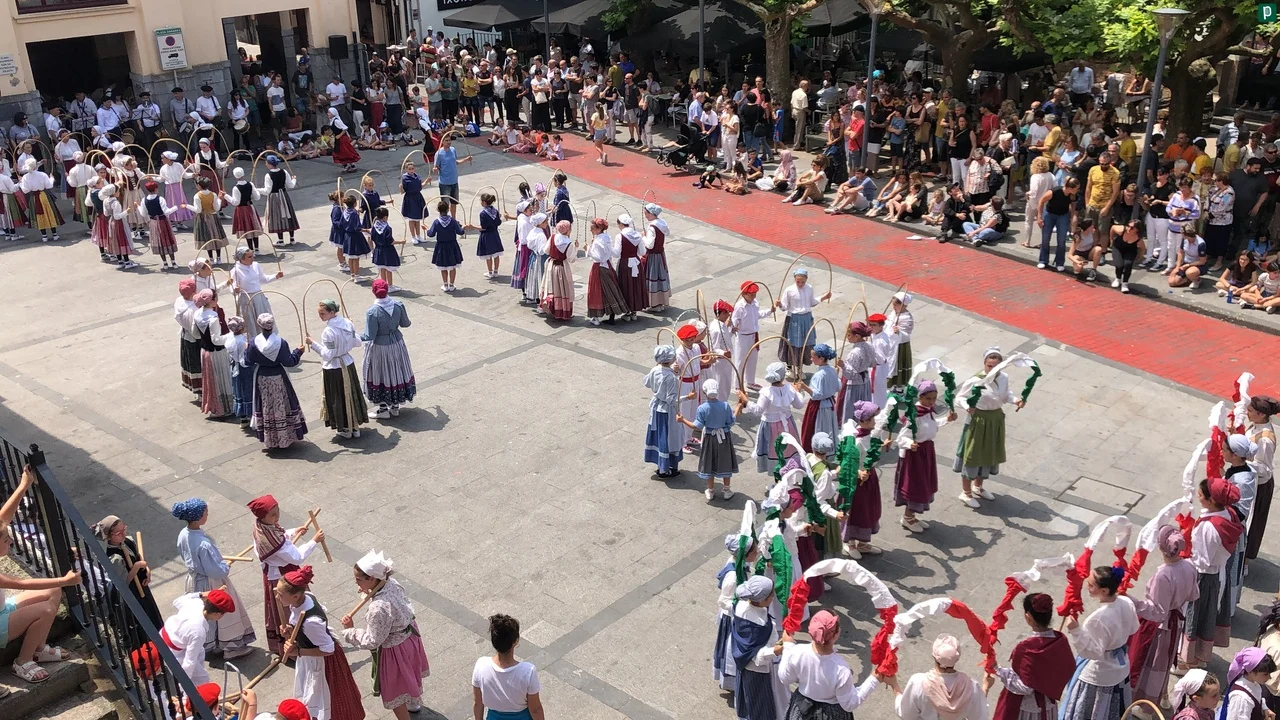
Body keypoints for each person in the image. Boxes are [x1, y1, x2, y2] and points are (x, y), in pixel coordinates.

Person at [0, 465, 79, 685]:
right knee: (45, 609)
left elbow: (3, 518)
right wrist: (65, 580)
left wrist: (23, 485)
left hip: (3, 609)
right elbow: (21, 582)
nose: (11, 541)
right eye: (6, 540)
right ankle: (23, 662)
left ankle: (39, 648)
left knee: (53, 590)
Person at [339, 551, 430, 719]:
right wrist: (367, 590)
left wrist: (350, 631)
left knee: (395, 689)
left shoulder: (378, 608)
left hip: (395, 651)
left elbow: (373, 640)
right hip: (410, 639)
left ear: (372, 579)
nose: (356, 583)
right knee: (409, 673)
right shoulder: (391, 583)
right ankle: (413, 703)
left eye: (359, 579)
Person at [276, 566, 367, 720]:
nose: (277, 597)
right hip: (310, 653)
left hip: (322, 661)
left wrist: (298, 651)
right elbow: (302, 629)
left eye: (281, 594)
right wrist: (291, 631)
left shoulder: (311, 621)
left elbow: (328, 649)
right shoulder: (305, 597)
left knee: (327, 698)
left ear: (296, 596)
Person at [171, 497, 256, 658]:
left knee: (204, 612)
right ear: (198, 517)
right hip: (210, 582)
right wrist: (225, 567)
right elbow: (216, 571)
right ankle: (231, 649)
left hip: (193, 580)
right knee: (222, 613)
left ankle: (213, 644)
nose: (207, 515)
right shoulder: (204, 544)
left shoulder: (183, 534)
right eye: (205, 513)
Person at [1125, 524, 1198, 705]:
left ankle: (1146, 706)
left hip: (1159, 628)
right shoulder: (1189, 566)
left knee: (1149, 665)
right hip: (1176, 622)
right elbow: (1194, 594)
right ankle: (1162, 696)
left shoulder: (1163, 575)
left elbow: (1157, 612)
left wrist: (1132, 601)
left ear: (1161, 547)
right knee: (1164, 663)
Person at [1182, 477, 1246, 671]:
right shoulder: (1229, 514)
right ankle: (1199, 655)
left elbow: (1202, 561)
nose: (1198, 496)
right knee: (1208, 615)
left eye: (1201, 495)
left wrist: (1184, 559)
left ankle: (1191, 660)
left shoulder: (1209, 527)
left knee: (1196, 616)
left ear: (1211, 501)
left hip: (1205, 577)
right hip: (1218, 572)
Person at [1060, 566, 1140, 720]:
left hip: (1100, 672)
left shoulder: (1098, 619)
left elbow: (1092, 652)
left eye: (1091, 585)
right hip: (1121, 663)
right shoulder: (1126, 602)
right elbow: (1134, 628)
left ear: (1104, 590)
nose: (1087, 587)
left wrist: (1075, 630)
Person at [246, 494, 322, 657]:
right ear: (262, 516)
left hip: (273, 573)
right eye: (273, 515)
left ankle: (284, 645)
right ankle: (296, 647)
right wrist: (314, 541)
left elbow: (280, 535)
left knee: (282, 607)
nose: (277, 517)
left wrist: (294, 531)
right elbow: (296, 557)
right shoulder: (274, 542)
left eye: (278, 512)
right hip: (282, 576)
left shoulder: (261, 526)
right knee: (290, 608)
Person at [777, 610, 888, 717]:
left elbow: (785, 678)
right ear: (836, 634)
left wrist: (787, 646)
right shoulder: (841, 669)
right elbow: (850, 703)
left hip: (802, 710)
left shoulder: (796, 652)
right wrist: (875, 678)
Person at [989, 593, 1077, 720]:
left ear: (1028, 617)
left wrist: (998, 670)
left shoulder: (1026, 648)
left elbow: (1025, 687)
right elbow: (1068, 668)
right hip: (1049, 704)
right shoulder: (1060, 640)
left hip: (1029, 710)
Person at [954, 347, 1024, 506]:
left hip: (994, 420)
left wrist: (1016, 400)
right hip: (978, 421)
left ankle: (978, 486)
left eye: (996, 366)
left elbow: (1006, 395)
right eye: (989, 366)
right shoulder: (976, 381)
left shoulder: (1004, 378)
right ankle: (966, 493)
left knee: (988, 453)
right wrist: (967, 406)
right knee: (972, 454)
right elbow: (959, 398)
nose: (992, 369)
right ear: (984, 364)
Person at [893, 380, 955, 534]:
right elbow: (900, 438)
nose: (932, 402)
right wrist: (910, 444)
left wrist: (946, 420)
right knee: (915, 486)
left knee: (923, 484)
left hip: (926, 452)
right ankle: (907, 517)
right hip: (915, 456)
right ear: (920, 397)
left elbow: (931, 425)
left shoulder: (928, 411)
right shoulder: (914, 415)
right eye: (928, 398)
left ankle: (912, 516)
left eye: (934, 398)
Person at [93, 513, 163, 638]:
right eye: (118, 533)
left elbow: (139, 558)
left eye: (124, 529)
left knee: (153, 616)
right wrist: (136, 567)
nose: (123, 534)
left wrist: (146, 570)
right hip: (133, 592)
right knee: (143, 620)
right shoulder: (114, 558)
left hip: (142, 586)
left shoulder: (128, 541)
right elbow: (124, 582)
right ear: (109, 536)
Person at [245, 313, 308, 449]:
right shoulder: (280, 342)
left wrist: (246, 350)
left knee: (266, 405)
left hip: (262, 376)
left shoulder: (254, 343)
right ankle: (285, 436)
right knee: (282, 403)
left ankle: (270, 438)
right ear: (272, 326)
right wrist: (298, 352)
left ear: (260, 326)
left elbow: (248, 361)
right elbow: (289, 362)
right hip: (278, 376)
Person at [729, 574, 788, 720]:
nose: (773, 596)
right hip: (757, 672)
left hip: (745, 665)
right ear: (762, 600)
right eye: (771, 595)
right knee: (760, 705)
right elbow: (757, 656)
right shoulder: (758, 624)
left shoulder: (741, 606)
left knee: (752, 701)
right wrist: (776, 650)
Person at [307, 299, 367, 439]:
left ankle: (345, 428)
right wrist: (352, 330)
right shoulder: (348, 323)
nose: (320, 316)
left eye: (323, 313)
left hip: (334, 368)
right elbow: (357, 342)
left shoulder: (328, 332)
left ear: (332, 312)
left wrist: (313, 344)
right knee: (351, 394)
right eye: (319, 313)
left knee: (338, 398)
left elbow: (328, 355)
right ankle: (355, 427)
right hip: (348, 363)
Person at [895, 634, 986, 719]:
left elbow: (905, 714)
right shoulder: (972, 686)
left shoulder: (918, 683)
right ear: (957, 658)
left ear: (934, 656)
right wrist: (985, 688)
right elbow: (980, 716)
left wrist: (895, 688)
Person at [472, 614, 545, 720]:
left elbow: (478, 703)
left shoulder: (481, 665)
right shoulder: (528, 671)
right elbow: (535, 709)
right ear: (516, 641)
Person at [361, 279, 415, 420]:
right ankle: (395, 407)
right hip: (397, 343)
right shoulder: (398, 305)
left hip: (380, 347)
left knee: (381, 374)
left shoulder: (372, 312)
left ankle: (383, 409)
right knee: (396, 372)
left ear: (373, 292)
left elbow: (369, 335)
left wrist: (352, 334)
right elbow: (406, 324)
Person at [160, 587, 235, 686]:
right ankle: (192, 692)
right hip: (174, 650)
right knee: (201, 678)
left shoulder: (196, 603)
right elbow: (189, 661)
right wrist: (185, 682)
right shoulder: (198, 631)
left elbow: (177, 601)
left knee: (200, 651)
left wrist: (201, 594)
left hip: (165, 633)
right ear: (217, 614)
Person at [678, 379, 739, 501]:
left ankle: (710, 490)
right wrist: (738, 407)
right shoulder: (725, 406)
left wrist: (682, 420)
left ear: (705, 392)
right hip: (724, 438)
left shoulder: (702, 408)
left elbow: (696, 426)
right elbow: (731, 422)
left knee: (709, 462)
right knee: (725, 461)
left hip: (709, 439)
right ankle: (727, 490)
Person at [739, 362, 805, 473]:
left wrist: (746, 400)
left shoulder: (766, 392)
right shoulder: (790, 389)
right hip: (787, 424)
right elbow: (799, 405)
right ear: (783, 376)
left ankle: (777, 474)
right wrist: (798, 392)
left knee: (773, 449)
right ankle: (788, 471)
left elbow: (758, 410)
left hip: (770, 426)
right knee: (788, 449)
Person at [776, 268, 830, 372]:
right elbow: (784, 307)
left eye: (803, 282)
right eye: (798, 281)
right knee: (793, 342)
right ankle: (789, 366)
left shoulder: (809, 288)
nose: (800, 284)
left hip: (806, 318)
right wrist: (780, 304)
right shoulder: (789, 290)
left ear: (806, 280)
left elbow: (812, 302)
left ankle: (800, 366)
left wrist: (824, 297)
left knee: (805, 342)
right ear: (794, 279)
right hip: (794, 318)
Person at [1246, 396, 1279, 561]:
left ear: (1261, 414)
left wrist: (1241, 461)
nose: (1247, 413)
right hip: (1249, 481)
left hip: (1259, 487)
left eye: (1250, 410)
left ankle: (1245, 560)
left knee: (1253, 524)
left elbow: (1265, 469)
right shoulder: (1255, 425)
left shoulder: (1265, 439)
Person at [644, 345, 683, 478]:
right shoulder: (670, 377)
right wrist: (688, 397)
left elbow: (647, 383)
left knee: (659, 435)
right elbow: (671, 399)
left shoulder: (655, 370)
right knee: (668, 437)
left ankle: (661, 465)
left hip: (656, 407)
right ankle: (666, 468)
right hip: (667, 411)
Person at [229, 247, 284, 339]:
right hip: (246, 299)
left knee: (264, 318)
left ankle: (269, 337)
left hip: (258, 297)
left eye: (252, 256)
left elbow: (263, 279)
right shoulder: (236, 270)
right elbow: (232, 286)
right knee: (250, 321)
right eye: (249, 257)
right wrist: (235, 290)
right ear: (242, 259)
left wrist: (276, 276)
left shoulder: (256, 265)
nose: (252, 258)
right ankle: (253, 340)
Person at [798, 344, 839, 452]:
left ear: (821, 358)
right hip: (830, 403)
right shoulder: (832, 370)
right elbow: (838, 386)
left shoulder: (819, 375)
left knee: (818, 427)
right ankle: (830, 448)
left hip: (819, 406)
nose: (811, 359)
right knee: (829, 426)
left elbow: (817, 395)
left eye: (813, 357)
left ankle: (818, 449)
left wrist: (804, 387)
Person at [732, 282, 773, 391]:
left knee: (752, 360)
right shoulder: (739, 307)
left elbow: (757, 315)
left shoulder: (755, 303)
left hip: (753, 335)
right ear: (744, 294)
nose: (753, 296)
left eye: (755, 294)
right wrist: (733, 326)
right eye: (751, 295)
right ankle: (737, 385)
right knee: (740, 361)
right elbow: (734, 320)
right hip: (743, 337)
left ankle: (750, 382)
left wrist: (769, 311)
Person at [835, 322, 876, 425]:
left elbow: (851, 375)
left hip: (855, 386)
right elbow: (873, 363)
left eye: (849, 335)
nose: (847, 337)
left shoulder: (855, 353)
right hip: (865, 381)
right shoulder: (869, 345)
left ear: (857, 336)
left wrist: (843, 366)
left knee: (852, 409)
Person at [1036, 177, 1079, 270]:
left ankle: (1059, 262)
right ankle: (1043, 260)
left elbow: (1073, 207)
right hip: (1049, 214)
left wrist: (1072, 218)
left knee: (1061, 240)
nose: (1077, 190)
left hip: (1063, 215)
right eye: (1076, 188)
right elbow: (1041, 201)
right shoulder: (1055, 191)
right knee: (1045, 238)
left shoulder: (1073, 195)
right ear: (1070, 188)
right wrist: (1039, 217)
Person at [1220, 648, 1274, 720]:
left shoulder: (1254, 683)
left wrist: (1265, 708)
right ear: (1250, 671)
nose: (1269, 677)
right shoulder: (1241, 698)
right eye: (1265, 674)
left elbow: (1258, 698)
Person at [261, 154, 300, 245]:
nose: (266, 164)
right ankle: (292, 239)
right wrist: (294, 179)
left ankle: (281, 240)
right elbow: (291, 185)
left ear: (270, 164)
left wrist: (256, 190)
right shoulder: (284, 172)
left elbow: (267, 190)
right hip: (284, 195)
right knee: (288, 214)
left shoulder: (268, 175)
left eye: (266, 162)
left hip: (274, 197)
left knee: (277, 217)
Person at [141, 179, 180, 269]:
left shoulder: (144, 200)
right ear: (156, 189)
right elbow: (166, 212)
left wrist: (138, 207)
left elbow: (144, 213)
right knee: (168, 240)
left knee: (159, 242)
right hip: (163, 222)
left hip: (153, 222)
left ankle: (165, 263)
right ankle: (173, 262)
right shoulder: (160, 199)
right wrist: (175, 207)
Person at [541, 219, 575, 320]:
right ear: (568, 230)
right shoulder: (569, 243)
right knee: (563, 289)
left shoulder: (553, 237)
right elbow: (571, 259)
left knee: (551, 287)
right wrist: (576, 249)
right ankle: (562, 311)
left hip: (551, 266)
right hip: (562, 267)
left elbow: (546, 250)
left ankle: (552, 307)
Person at [615, 213, 648, 317]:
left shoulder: (620, 236)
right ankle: (634, 311)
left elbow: (616, 253)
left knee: (625, 285)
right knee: (635, 285)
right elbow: (642, 252)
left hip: (625, 263)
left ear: (621, 224)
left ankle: (627, 311)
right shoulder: (637, 235)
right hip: (636, 263)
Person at [430, 133, 472, 203]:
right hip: (445, 183)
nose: (449, 142)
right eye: (446, 140)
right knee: (445, 204)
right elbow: (435, 167)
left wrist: (466, 159)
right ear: (442, 142)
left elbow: (455, 162)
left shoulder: (453, 150)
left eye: (449, 140)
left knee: (454, 203)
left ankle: (453, 211)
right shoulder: (439, 153)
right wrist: (435, 169)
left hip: (454, 181)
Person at [1108, 219, 1146, 293]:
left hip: (1130, 251)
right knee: (1119, 265)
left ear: (1137, 230)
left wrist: (1140, 256)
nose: (1129, 228)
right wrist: (1111, 240)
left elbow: (1143, 248)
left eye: (1132, 228)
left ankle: (1125, 283)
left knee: (1128, 264)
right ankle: (1118, 278)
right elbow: (1112, 228)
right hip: (1118, 248)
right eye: (1128, 226)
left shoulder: (1138, 238)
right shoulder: (1121, 230)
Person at [369, 207, 401, 292]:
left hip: (378, 250)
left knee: (382, 268)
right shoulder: (387, 228)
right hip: (387, 251)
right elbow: (391, 242)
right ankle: (390, 286)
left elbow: (372, 238)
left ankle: (383, 285)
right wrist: (401, 242)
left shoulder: (375, 226)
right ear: (385, 217)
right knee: (388, 269)